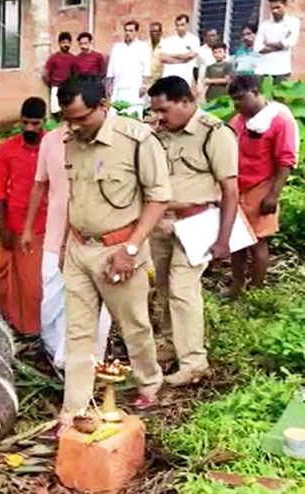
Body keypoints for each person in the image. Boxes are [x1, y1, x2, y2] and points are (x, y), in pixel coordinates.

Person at [55, 78, 169, 425]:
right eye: (67, 118)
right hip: (79, 249)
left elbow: (159, 198)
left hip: (120, 249)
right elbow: (75, 198)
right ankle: (74, 408)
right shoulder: (71, 141)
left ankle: (149, 384)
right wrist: (64, 245)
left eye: (81, 117)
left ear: (103, 105)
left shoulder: (136, 140)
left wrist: (131, 249)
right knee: (78, 331)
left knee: (133, 325)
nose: (74, 126)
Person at [148, 76, 239, 385]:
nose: (159, 116)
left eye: (164, 109)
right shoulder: (160, 133)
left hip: (197, 222)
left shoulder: (215, 133)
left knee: (183, 290)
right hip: (161, 222)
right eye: (155, 111)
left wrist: (223, 239)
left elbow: (230, 190)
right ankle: (169, 345)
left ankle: (193, 362)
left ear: (186, 101)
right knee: (162, 287)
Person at [20, 123, 112, 372]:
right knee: (52, 299)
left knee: (88, 302)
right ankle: (55, 356)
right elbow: (40, 185)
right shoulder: (50, 140)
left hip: (92, 238)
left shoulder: (106, 140)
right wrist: (28, 227)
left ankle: (88, 364)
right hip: (54, 234)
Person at [227, 76, 300, 296]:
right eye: (234, 101)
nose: (237, 105)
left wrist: (273, 196)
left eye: (241, 99)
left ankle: (256, 291)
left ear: (256, 92)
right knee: (237, 242)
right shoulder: (238, 120)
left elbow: (286, 160)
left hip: (262, 187)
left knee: (258, 242)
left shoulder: (279, 121)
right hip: (237, 187)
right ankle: (237, 286)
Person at [0, 98, 49, 335]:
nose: (29, 129)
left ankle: (33, 331)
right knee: (1, 280)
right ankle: (6, 325)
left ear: (44, 122)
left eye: (35, 123)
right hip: (11, 224)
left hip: (40, 227)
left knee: (31, 286)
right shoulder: (7, 148)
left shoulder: (53, 146)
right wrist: (2, 228)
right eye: (25, 123)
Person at [106, 20, 151, 115]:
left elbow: (146, 68)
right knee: (116, 114)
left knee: (134, 114)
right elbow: (111, 69)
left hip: (135, 87)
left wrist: (144, 85)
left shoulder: (143, 47)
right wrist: (109, 86)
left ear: (136, 32)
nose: (127, 33)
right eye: (126, 30)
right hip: (118, 87)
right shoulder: (117, 47)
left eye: (131, 31)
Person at [255, 0, 300, 84]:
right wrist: (280, 45)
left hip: (282, 68)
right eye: (272, 8)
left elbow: (291, 42)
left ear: (285, 5)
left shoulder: (293, 22)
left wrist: (269, 44)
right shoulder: (264, 25)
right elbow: (257, 47)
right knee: (263, 95)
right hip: (264, 69)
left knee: (280, 94)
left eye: (278, 7)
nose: (274, 11)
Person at [160, 14, 201, 86]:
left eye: (182, 25)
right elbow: (163, 58)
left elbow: (191, 55)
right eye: (177, 25)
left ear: (187, 25)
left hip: (185, 76)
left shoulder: (194, 39)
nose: (179, 28)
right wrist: (182, 59)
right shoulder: (169, 40)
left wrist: (172, 55)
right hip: (169, 75)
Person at [44, 33, 77, 115]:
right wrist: (51, 83)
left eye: (67, 42)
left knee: (68, 107)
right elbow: (46, 72)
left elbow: (75, 72)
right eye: (63, 42)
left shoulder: (73, 58)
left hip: (69, 87)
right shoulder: (54, 58)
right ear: (59, 44)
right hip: (56, 86)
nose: (65, 45)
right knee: (55, 109)